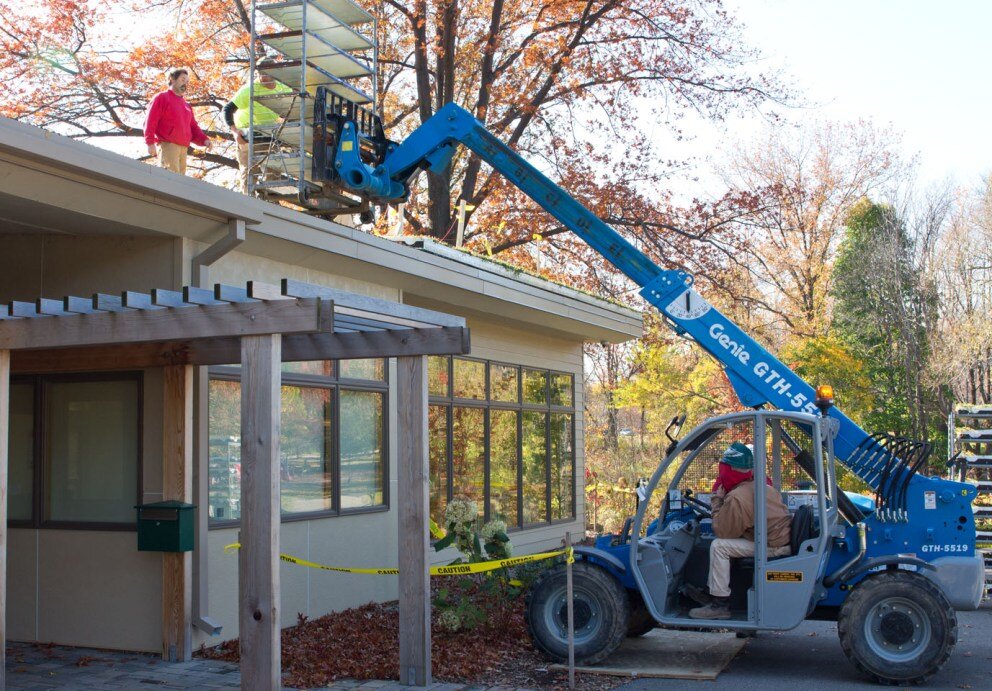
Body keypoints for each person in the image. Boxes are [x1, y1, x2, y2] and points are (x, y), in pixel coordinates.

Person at [688, 442, 792, 620]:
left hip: (773, 546)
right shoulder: (761, 486)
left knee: (719, 546)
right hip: (776, 539)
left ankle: (719, 604)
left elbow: (723, 531)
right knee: (727, 546)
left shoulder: (738, 497)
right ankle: (714, 591)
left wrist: (717, 501)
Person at [222, 61, 292, 192]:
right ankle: (248, 201)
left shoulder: (283, 88)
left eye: (266, 73)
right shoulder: (249, 89)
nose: (263, 77)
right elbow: (227, 109)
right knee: (249, 171)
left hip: (270, 134)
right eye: (260, 73)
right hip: (248, 135)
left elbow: (292, 110)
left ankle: (269, 201)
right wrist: (235, 132)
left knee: (274, 169)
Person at [143, 68, 212, 175]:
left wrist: (204, 140)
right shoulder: (162, 97)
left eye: (187, 81)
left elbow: (193, 127)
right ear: (172, 79)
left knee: (180, 183)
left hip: (184, 148)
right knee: (169, 179)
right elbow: (150, 120)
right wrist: (150, 142)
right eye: (182, 79)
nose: (185, 83)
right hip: (168, 145)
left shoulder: (186, 105)